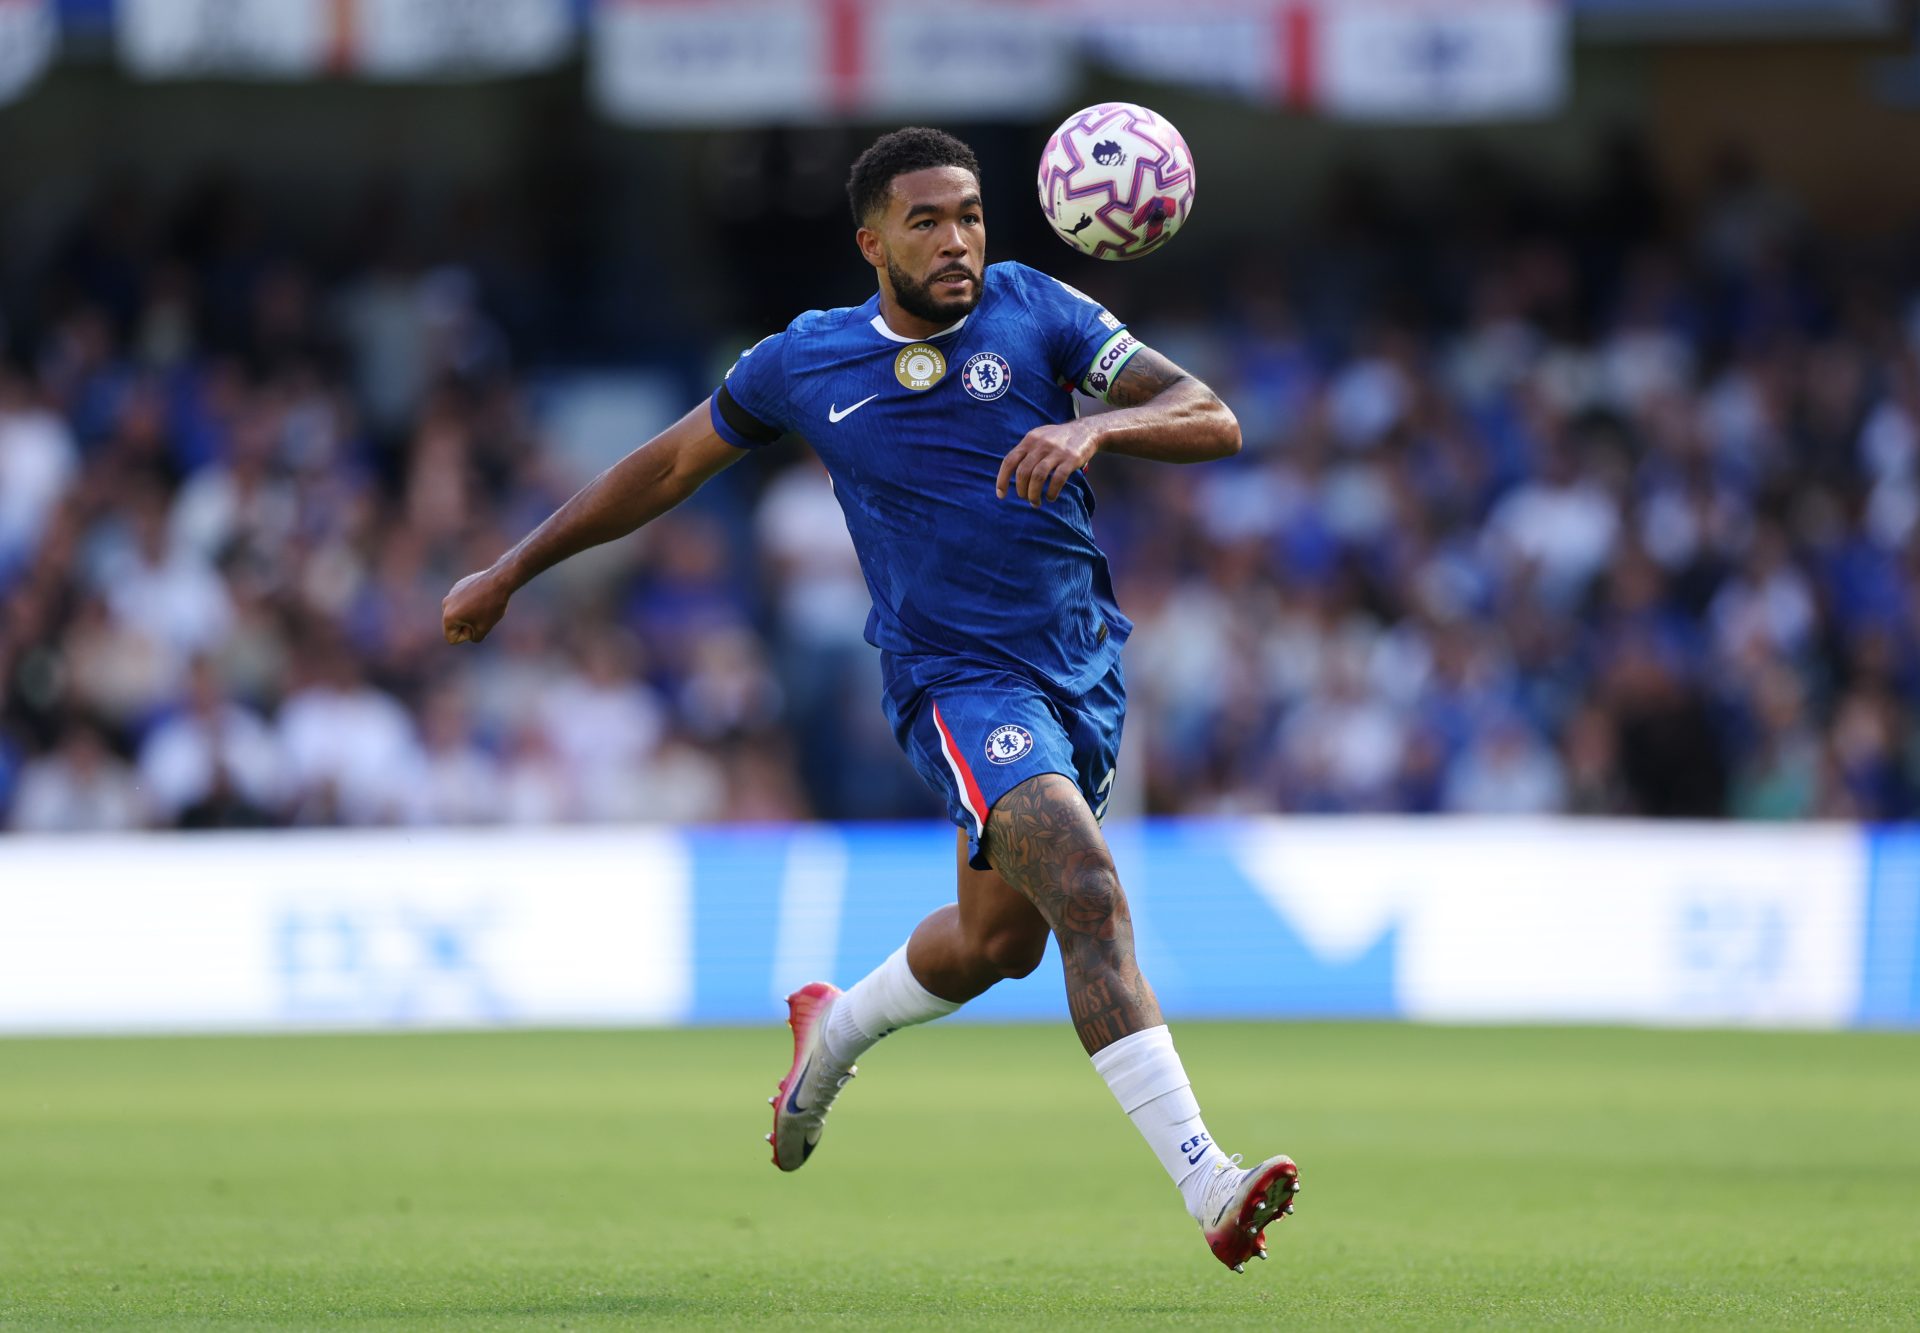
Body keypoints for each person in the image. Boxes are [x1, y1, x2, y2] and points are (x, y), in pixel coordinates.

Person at [441, 127, 1300, 1272]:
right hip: (956, 681)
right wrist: (512, 569)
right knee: (1090, 885)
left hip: (1081, 672)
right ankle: (1212, 1179)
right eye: (928, 221)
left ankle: (833, 1030)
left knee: (997, 947)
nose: (958, 242)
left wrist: (1096, 423)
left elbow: (1212, 413)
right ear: (872, 240)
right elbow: (665, 466)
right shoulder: (805, 361)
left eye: (973, 217)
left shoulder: (1037, 309)